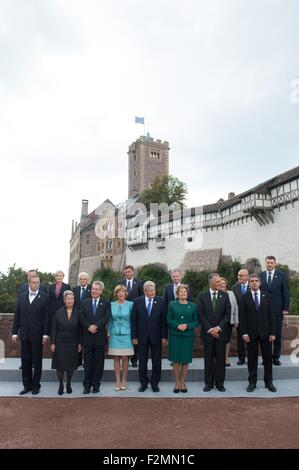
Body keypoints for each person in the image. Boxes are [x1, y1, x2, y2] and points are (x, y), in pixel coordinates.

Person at [12, 276, 50, 395]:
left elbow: (47, 319)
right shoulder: (21, 297)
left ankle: (36, 386)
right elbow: (17, 316)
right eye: (34, 283)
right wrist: (14, 332)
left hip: (38, 335)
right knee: (25, 361)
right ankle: (27, 385)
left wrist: (45, 335)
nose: (36, 284)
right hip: (24, 335)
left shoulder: (45, 297)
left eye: (38, 282)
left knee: (37, 361)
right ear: (29, 283)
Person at [239, 274, 277, 392]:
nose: (254, 283)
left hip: (266, 334)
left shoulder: (267, 296)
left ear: (260, 283)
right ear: (249, 283)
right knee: (252, 360)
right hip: (251, 334)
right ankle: (252, 383)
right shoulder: (244, 298)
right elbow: (242, 317)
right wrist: (244, 333)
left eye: (256, 281)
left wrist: (273, 333)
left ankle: (269, 382)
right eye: (252, 281)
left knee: (267, 359)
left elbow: (272, 316)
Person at [131, 281, 168, 393]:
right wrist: (134, 336)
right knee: (142, 361)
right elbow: (133, 320)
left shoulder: (161, 301)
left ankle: (155, 383)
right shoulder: (137, 302)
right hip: (141, 337)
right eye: (150, 290)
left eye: (154, 290)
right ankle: (143, 383)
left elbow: (163, 321)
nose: (153, 292)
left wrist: (164, 336)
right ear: (145, 291)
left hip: (156, 336)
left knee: (157, 361)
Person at [198, 273, 231, 392]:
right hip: (208, 334)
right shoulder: (202, 296)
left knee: (220, 360)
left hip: (221, 334)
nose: (219, 284)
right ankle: (208, 383)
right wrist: (210, 329)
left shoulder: (224, 296)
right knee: (208, 359)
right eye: (217, 282)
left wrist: (218, 328)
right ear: (211, 282)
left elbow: (227, 315)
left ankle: (220, 383)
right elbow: (200, 315)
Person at [167, 284, 199, 393]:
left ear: (187, 293)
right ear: (177, 294)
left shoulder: (193, 306)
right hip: (175, 336)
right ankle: (177, 383)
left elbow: (196, 321)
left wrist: (187, 326)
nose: (183, 293)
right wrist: (177, 325)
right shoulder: (172, 304)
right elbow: (168, 319)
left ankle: (183, 383)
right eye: (181, 292)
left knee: (185, 361)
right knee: (176, 361)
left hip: (187, 336)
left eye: (185, 292)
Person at [79, 281, 110, 394]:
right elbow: (81, 316)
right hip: (87, 337)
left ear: (101, 291)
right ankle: (86, 386)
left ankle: (96, 385)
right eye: (93, 289)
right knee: (87, 363)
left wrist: (96, 326)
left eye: (96, 289)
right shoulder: (84, 303)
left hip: (99, 338)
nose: (94, 291)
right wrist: (89, 326)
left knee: (98, 363)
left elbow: (106, 317)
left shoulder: (106, 303)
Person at [260, 256, 289, 366]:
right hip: (263, 310)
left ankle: (276, 357)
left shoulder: (281, 275)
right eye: (268, 262)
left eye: (272, 262)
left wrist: (285, 308)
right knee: (264, 334)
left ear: (275, 263)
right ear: (265, 263)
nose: (270, 264)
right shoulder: (261, 275)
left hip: (277, 309)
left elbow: (286, 292)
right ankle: (265, 358)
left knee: (276, 333)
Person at [51, 290, 81, 395]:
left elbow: (80, 330)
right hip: (60, 343)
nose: (70, 300)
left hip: (73, 342)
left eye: (72, 298)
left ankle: (68, 383)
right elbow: (54, 328)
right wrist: (53, 343)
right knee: (60, 365)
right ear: (64, 300)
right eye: (68, 298)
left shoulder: (78, 313)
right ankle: (60, 384)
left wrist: (79, 343)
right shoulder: (58, 312)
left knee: (71, 365)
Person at [108, 285, 134, 391]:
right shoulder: (111, 305)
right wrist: (109, 333)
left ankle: (124, 380)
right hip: (114, 333)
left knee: (124, 357)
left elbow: (133, 319)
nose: (121, 294)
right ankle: (117, 380)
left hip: (127, 333)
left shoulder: (131, 304)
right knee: (116, 357)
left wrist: (134, 335)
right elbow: (110, 320)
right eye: (118, 292)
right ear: (116, 294)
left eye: (122, 292)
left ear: (125, 293)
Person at [118, 265, 144, 367]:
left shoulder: (139, 283)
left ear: (133, 272)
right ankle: (125, 358)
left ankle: (134, 359)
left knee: (135, 335)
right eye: (126, 272)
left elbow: (142, 297)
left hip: (136, 311)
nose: (127, 274)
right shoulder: (120, 283)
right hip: (124, 312)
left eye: (129, 272)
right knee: (126, 336)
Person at [219, 277, 239, 367]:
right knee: (218, 341)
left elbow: (235, 307)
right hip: (217, 322)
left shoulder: (230, 293)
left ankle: (226, 358)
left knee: (226, 341)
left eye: (224, 283)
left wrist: (236, 320)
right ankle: (218, 358)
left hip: (228, 321)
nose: (222, 285)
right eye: (220, 283)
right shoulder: (215, 294)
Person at [232, 269, 250, 365]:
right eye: (238, 275)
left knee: (252, 338)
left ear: (247, 276)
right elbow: (234, 304)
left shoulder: (252, 286)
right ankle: (241, 358)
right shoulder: (235, 287)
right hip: (239, 318)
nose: (239, 277)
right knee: (240, 338)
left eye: (241, 275)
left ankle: (251, 357)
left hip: (251, 317)